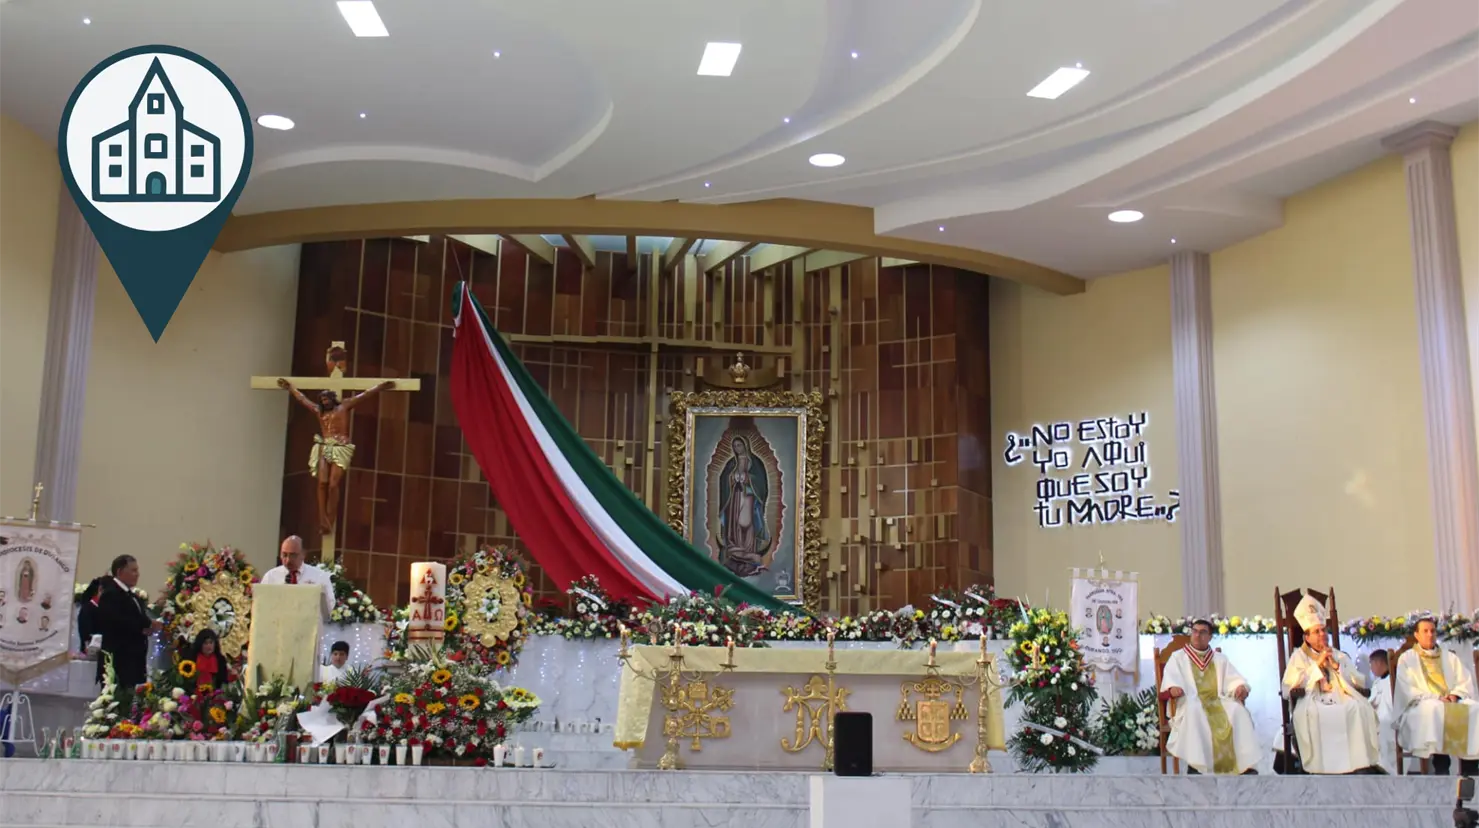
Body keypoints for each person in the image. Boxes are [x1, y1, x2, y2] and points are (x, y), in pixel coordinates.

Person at [277, 377, 394, 535]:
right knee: (322, 483)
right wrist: (290, 388)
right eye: (322, 400)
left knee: (333, 485)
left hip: (341, 447)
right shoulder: (319, 412)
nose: (325, 402)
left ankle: (330, 518)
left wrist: (380, 387)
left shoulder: (344, 406)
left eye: (327, 399)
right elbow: (303, 399)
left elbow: (364, 395)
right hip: (325, 446)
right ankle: (322, 519)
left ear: (332, 399)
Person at [1280, 595, 1380, 773]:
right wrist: (1317, 666)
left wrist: (1336, 667)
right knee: (1313, 714)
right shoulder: (1298, 656)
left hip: (1339, 697)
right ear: (1307, 637)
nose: (1322, 635)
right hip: (1312, 699)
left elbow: (1357, 680)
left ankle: (1356, 765)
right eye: (1317, 632)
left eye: (1324, 630)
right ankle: (1320, 768)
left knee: (1357, 708)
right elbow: (1289, 686)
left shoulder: (1337, 654)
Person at [1159, 618, 1261, 774]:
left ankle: (1242, 767)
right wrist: (1173, 688)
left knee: (1238, 711)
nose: (1197, 635)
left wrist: (1240, 687)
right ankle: (1196, 766)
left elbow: (1235, 680)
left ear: (1210, 637)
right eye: (1194, 631)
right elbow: (1170, 681)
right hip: (1191, 701)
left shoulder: (1219, 659)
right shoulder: (1177, 657)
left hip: (1219, 700)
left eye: (1202, 632)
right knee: (1195, 712)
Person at [1394, 615, 1479, 775]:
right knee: (1435, 709)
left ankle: (1471, 767)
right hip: (1422, 703)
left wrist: (1455, 695)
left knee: (1474, 709)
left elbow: (1464, 681)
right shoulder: (1407, 658)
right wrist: (1437, 697)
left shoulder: (1449, 657)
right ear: (1417, 635)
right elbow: (1408, 689)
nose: (1430, 634)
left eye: (1433, 631)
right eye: (1425, 631)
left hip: (1450, 700)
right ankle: (1441, 766)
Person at [94, 555, 162, 712]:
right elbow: (117, 622)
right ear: (120, 572)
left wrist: (148, 625)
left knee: (132, 706)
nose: (137, 574)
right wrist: (145, 626)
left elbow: (137, 618)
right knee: (118, 706)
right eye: (133, 570)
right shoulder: (111, 594)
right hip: (120, 661)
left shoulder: (131, 595)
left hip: (133, 662)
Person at [259, 536, 335, 618]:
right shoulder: (271, 576)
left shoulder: (319, 576)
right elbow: (261, 605)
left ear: (303, 554)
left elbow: (329, 606)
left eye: (293, 555)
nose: (288, 560)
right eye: (284, 555)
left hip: (307, 623)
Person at [1368, 648, 1396, 773]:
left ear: (1378, 663)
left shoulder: (1393, 680)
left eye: (1371, 664)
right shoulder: (1378, 681)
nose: (1371, 668)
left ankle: (1390, 771)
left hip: (1389, 719)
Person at [76, 575, 108, 654]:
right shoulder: (88, 609)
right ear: (100, 590)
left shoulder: (106, 607)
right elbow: (86, 634)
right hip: (92, 651)